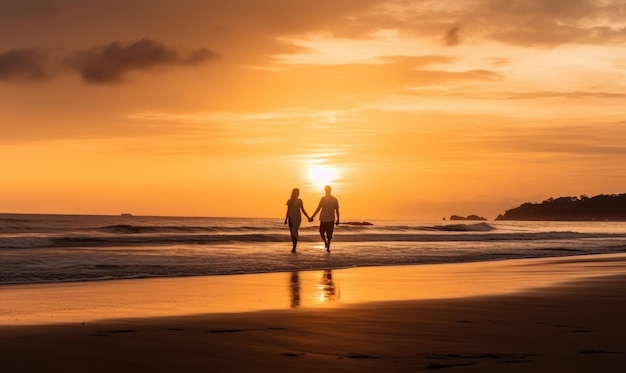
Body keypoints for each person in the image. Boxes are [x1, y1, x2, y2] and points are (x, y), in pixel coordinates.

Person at [310, 185, 340, 253]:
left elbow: (337, 210)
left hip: (330, 219)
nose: (327, 191)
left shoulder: (334, 199)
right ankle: (325, 243)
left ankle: (328, 247)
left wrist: (338, 219)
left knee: (329, 234)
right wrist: (312, 216)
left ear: (329, 190)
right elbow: (318, 208)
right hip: (323, 218)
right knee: (321, 232)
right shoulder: (323, 199)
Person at [284, 188, 311, 253]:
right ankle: (293, 245)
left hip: (297, 218)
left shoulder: (299, 201)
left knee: (294, 231)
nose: (299, 193)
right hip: (290, 218)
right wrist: (286, 219)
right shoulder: (289, 201)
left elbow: (302, 209)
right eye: (298, 192)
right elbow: (288, 211)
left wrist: (308, 217)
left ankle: (294, 247)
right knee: (292, 232)